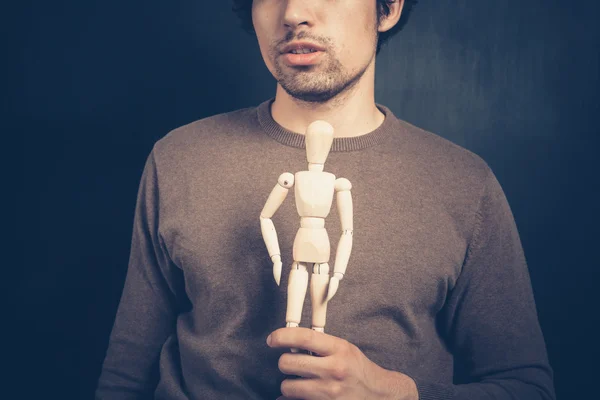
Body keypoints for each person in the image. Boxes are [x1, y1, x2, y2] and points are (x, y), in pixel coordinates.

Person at [96, 0, 556, 399]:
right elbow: (124, 378)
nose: (293, 13)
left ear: (388, 8)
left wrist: (399, 395)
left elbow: (525, 387)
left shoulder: (464, 184)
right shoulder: (179, 158)